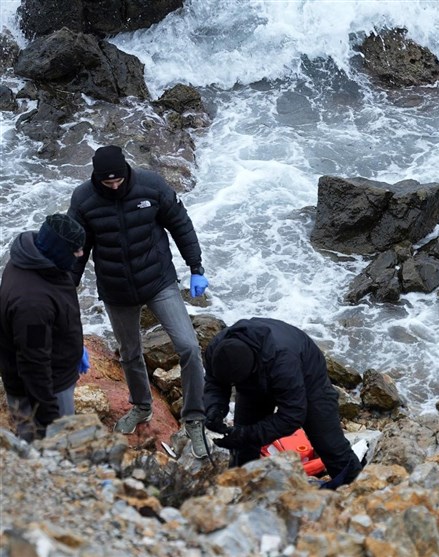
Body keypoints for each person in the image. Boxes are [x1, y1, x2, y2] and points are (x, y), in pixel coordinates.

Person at [68, 145, 210, 458]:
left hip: (158, 281)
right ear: (96, 178)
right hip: (116, 290)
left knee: (188, 346)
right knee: (130, 352)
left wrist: (196, 267)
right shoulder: (83, 199)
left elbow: (180, 224)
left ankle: (194, 418)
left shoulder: (152, 185)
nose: (114, 186)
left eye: (118, 180)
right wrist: (66, 291)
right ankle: (142, 406)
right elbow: (77, 251)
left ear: (126, 171)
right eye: (107, 182)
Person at [203, 317, 362, 488]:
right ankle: (241, 492)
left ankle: (360, 491)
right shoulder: (216, 349)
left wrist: (247, 434)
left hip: (308, 376)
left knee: (329, 444)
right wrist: (214, 409)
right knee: (242, 446)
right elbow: (214, 382)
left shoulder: (284, 362)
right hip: (256, 377)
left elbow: (292, 416)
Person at [0, 214, 89, 442]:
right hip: (45, 391)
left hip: (54, 373)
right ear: (59, 250)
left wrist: (76, 348)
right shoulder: (32, 303)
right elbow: (33, 366)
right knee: (49, 447)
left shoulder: (40, 262)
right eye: (75, 250)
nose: (81, 254)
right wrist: (50, 418)